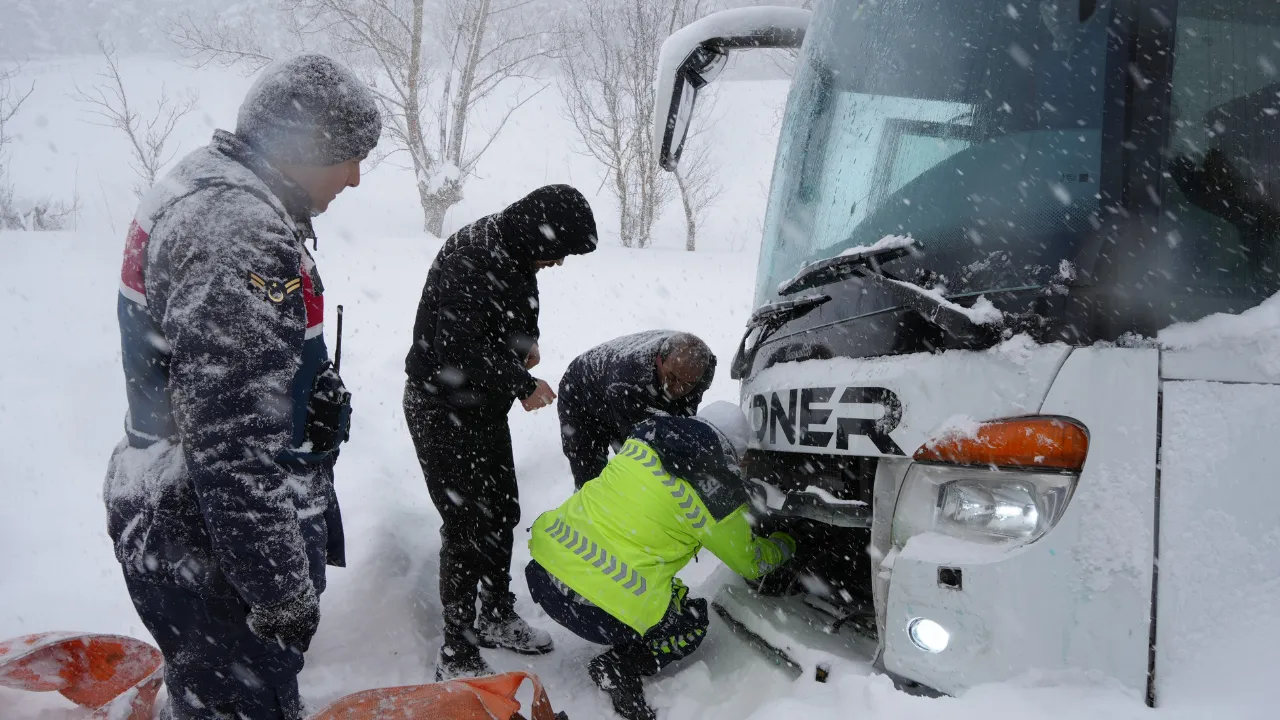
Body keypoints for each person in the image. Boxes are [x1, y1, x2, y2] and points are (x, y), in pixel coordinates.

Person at [102, 54, 381, 719]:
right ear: (303, 146)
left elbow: (217, 381)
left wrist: (305, 388)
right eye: (345, 157)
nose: (355, 177)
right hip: (209, 537)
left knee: (213, 697)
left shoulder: (211, 187)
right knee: (239, 705)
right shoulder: (238, 234)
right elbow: (228, 444)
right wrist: (278, 586)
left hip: (187, 517)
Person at [403, 185, 599, 680]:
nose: (556, 263)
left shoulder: (517, 251)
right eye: (557, 251)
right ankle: (457, 648)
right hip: (441, 406)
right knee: (468, 523)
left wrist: (524, 345)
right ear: (539, 233)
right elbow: (458, 344)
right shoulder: (474, 254)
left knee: (502, 511)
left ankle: (494, 614)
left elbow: (509, 311)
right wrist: (520, 381)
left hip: (480, 408)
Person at [525, 401, 796, 720]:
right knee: (692, 621)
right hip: (593, 609)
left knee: (661, 581)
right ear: (733, 451)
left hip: (543, 574)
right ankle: (620, 667)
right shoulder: (716, 492)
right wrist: (786, 543)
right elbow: (750, 563)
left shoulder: (645, 437)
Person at [558, 331, 716, 489]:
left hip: (623, 389)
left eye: (688, 384)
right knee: (592, 477)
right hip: (580, 395)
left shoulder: (704, 367)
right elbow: (641, 445)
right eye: (672, 378)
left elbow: (683, 419)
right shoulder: (630, 379)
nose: (678, 389)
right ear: (659, 360)